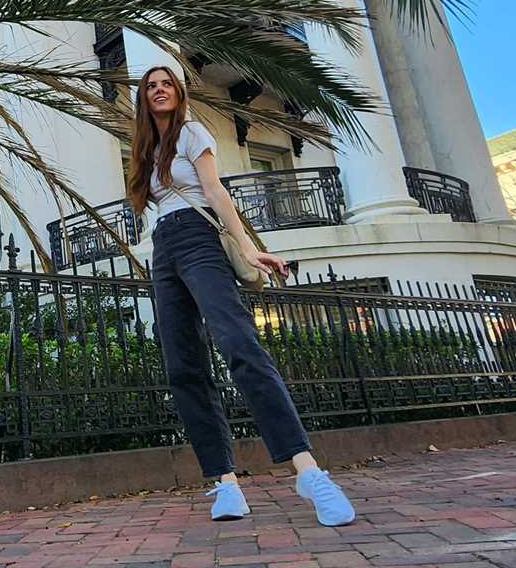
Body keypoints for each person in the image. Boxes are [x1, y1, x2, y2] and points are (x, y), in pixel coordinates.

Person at [127, 64, 356, 525]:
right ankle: (225, 483)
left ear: (179, 91)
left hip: (198, 239)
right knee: (183, 367)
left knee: (239, 346)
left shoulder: (192, 132)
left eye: (166, 83)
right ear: (142, 98)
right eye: (150, 86)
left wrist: (250, 248)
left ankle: (308, 472)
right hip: (164, 249)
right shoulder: (145, 149)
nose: (158, 90)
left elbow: (215, 191)